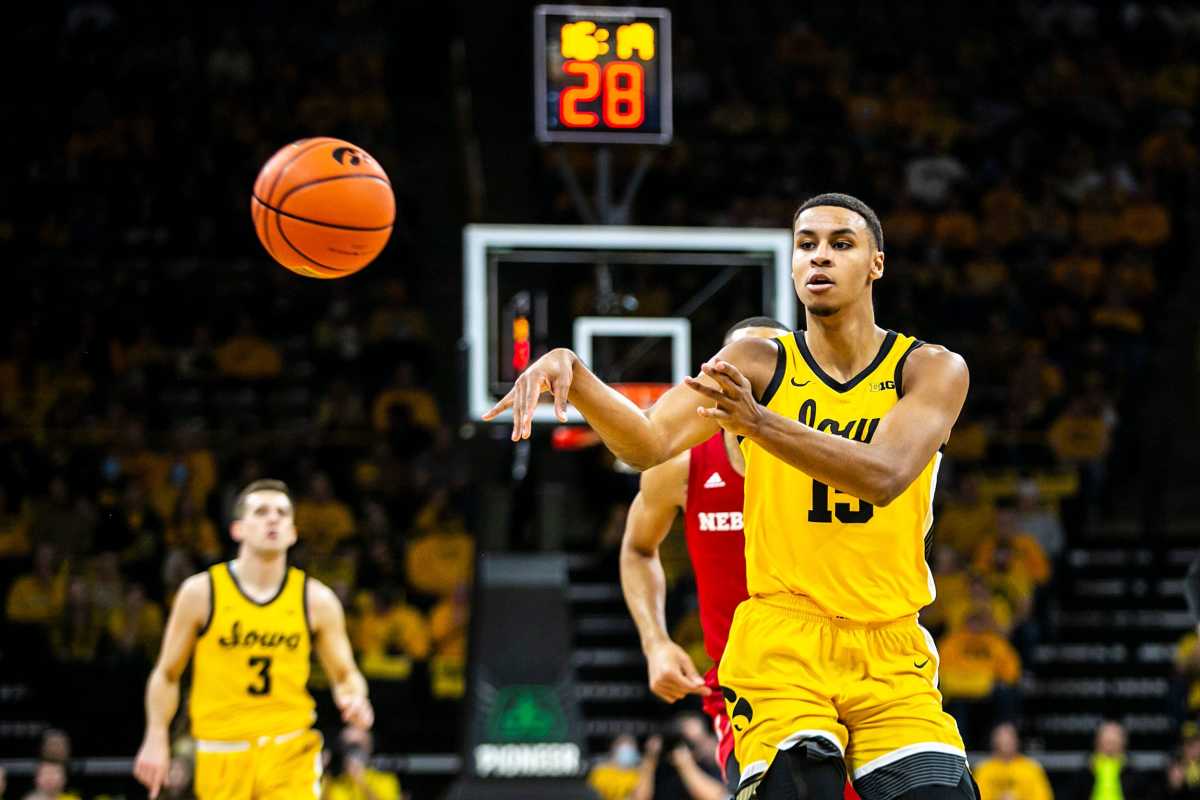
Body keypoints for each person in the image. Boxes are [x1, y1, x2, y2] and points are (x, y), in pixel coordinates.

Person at [487, 193, 974, 799]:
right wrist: (578, 376)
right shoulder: (755, 363)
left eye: (841, 244)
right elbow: (648, 443)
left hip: (891, 645)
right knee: (802, 789)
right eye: (806, 244)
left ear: (876, 263)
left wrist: (758, 422)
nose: (819, 256)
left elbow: (884, 475)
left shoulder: (930, 369)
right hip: (784, 643)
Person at [623, 315, 864, 799]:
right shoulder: (682, 464)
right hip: (746, 687)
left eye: (768, 366)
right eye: (739, 364)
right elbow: (638, 548)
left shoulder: (833, 456)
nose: (752, 378)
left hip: (844, 674)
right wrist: (655, 642)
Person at [133, 479, 374, 799]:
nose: (273, 519)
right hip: (221, 749)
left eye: (282, 513)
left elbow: (345, 674)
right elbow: (167, 673)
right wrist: (156, 735)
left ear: (293, 532)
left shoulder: (316, 600)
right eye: (261, 512)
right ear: (237, 529)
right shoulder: (201, 593)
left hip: (289, 749)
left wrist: (355, 696)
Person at [972, 723, 1053, 800]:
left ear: (1017, 741)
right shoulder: (984, 770)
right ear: (994, 743)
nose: (1006, 744)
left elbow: (1043, 797)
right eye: (1002, 740)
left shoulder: (1031, 768)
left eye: (1009, 740)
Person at [1065, 720, 1141, 800]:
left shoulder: (1133, 774)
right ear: (1097, 741)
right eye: (1107, 740)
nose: (1111, 744)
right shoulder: (1084, 773)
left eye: (1114, 741)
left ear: (1124, 743)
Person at [321, 726, 402, 800]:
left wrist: (361, 782)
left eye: (357, 746)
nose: (352, 752)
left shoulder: (385, 779)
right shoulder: (335, 783)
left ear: (370, 747)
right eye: (347, 747)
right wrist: (325, 770)